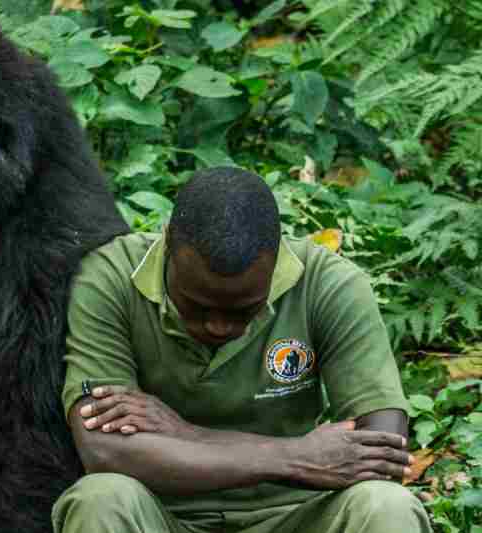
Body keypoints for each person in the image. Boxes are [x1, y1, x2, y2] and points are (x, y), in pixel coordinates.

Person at [52, 167, 431, 533]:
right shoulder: (113, 278)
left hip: (296, 514)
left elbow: (384, 453)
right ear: (168, 247)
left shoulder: (327, 285)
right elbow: (104, 451)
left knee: (386, 506)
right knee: (101, 499)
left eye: (243, 311)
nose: (219, 327)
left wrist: (184, 435)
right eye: (197, 306)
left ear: (276, 261)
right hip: (162, 515)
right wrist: (297, 456)